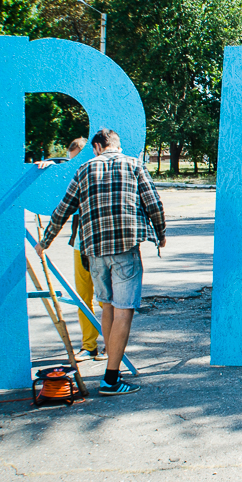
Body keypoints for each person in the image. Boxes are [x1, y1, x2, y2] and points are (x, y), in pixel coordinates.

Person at [36, 128, 166, 396]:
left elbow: (64, 208)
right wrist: (160, 234)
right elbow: (153, 203)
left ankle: (110, 368)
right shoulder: (133, 165)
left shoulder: (84, 169)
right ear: (116, 145)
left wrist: (45, 241)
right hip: (125, 248)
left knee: (106, 306)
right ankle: (110, 379)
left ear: (96, 147)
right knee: (124, 310)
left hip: (94, 251)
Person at [36, 137, 103, 361]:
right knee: (84, 297)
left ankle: (111, 345)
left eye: (77, 159)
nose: (73, 164)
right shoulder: (73, 173)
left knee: (106, 299)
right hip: (80, 243)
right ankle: (89, 345)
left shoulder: (97, 171)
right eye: (71, 160)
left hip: (101, 244)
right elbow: (60, 191)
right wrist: (49, 168)